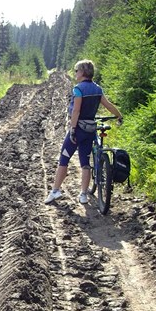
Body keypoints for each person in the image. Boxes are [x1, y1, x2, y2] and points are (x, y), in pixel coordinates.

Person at [44, 60, 123, 205]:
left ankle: (55, 191)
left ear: (82, 72)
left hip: (78, 129)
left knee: (64, 159)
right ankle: (83, 195)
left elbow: (76, 110)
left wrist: (73, 129)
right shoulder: (97, 89)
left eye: (76, 70)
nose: (75, 73)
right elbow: (108, 105)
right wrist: (119, 115)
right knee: (85, 163)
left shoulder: (78, 89)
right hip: (90, 130)